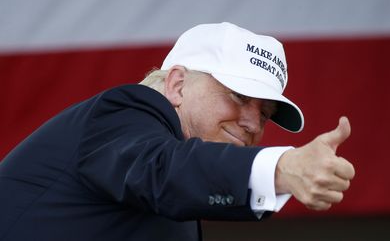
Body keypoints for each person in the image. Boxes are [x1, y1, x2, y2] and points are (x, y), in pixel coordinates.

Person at [0, 22, 355, 240]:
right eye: (238, 96)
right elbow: (162, 168)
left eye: (265, 114)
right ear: (177, 84)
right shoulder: (121, 114)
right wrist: (279, 168)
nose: (252, 123)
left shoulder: (177, 195)